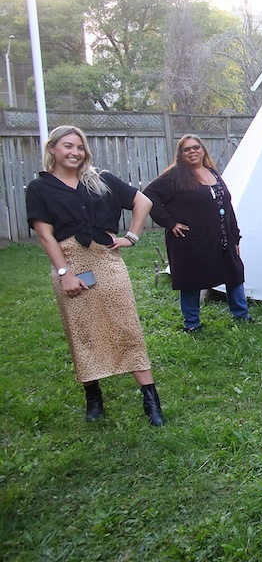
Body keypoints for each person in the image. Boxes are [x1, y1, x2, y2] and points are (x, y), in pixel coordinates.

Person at [25, 125, 164, 426]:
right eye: (67, 146)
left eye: (79, 147)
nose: (74, 152)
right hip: (70, 262)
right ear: (52, 150)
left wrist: (132, 236)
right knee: (83, 331)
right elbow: (45, 235)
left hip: (106, 260)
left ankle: (151, 400)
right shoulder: (40, 188)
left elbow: (144, 201)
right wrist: (65, 273)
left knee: (126, 326)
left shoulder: (101, 180)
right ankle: (94, 396)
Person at [144, 134, 252, 332]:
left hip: (221, 236)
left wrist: (234, 236)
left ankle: (241, 314)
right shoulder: (175, 176)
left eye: (196, 147)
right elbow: (148, 195)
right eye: (187, 149)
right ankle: (192, 324)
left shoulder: (212, 173)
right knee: (191, 279)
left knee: (234, 272)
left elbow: (227, 206)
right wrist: (170, 222)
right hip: (190, 239)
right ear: (181, 154)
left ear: (203, 150)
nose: (192, 151)